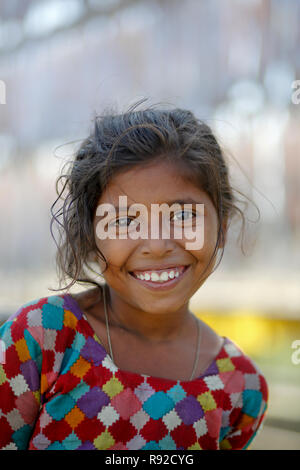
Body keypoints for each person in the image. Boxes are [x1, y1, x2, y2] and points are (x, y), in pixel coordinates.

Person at [0, 104, 268, 450]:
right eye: (125, 221)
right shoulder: (41, 338)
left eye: (184, 214)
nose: (156, 246)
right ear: (89, 235)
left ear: (223, 227)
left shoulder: (240, 387)